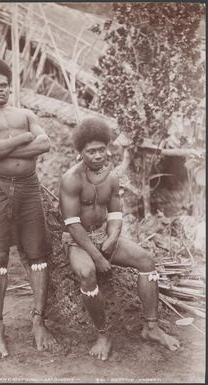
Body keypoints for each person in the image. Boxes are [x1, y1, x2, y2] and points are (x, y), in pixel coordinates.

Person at [59, 117, 180, 361]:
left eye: (101, 149)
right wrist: (97, 256)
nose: (97, 155)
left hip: (104, 235)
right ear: (80, 152)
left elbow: (115, 213)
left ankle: (151, 327)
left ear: (108, 148)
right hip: (78, 241)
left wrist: (113, 236)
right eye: (90, 151)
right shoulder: (71, 179)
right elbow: (72, 225)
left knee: (147, 261)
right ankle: (103, 335)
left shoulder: (111, 177)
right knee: (87, 273)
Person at [0, 59, 55, 359]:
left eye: (4, 85)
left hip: (29, 188)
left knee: (38, 255)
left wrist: (5, 145)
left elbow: (45, 144)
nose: (0, 89)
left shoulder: (27, 113)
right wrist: (22, 138)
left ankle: (38, 322)